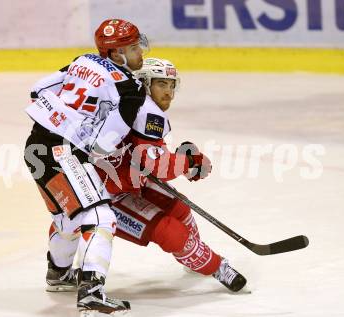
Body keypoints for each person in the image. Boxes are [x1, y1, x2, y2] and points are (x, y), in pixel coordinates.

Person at [24, 18, 150, 315]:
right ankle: (91, 293)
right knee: (100, 217)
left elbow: (37, 90)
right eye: (133, 48)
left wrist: (70, 117)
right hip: (64, 154)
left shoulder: (84, 60)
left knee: (69, 220)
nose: (140, 54)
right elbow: (105, 145)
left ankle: (58, 273)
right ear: (116, 54)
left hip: (34, 148)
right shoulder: (131, 87)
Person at [100, 57, 247, 293]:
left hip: (126, 179)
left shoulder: (136, 104)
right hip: (104, 193)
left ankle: (195, 255)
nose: (169, 93)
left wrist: (181, 161)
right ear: (145, 83)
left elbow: (150, 156)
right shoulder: (146, 111)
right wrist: (188, 163)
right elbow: (157, 166)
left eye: (171, 85)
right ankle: (215, 266)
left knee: (180, 209)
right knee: (171, 232)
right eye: (161, 84)